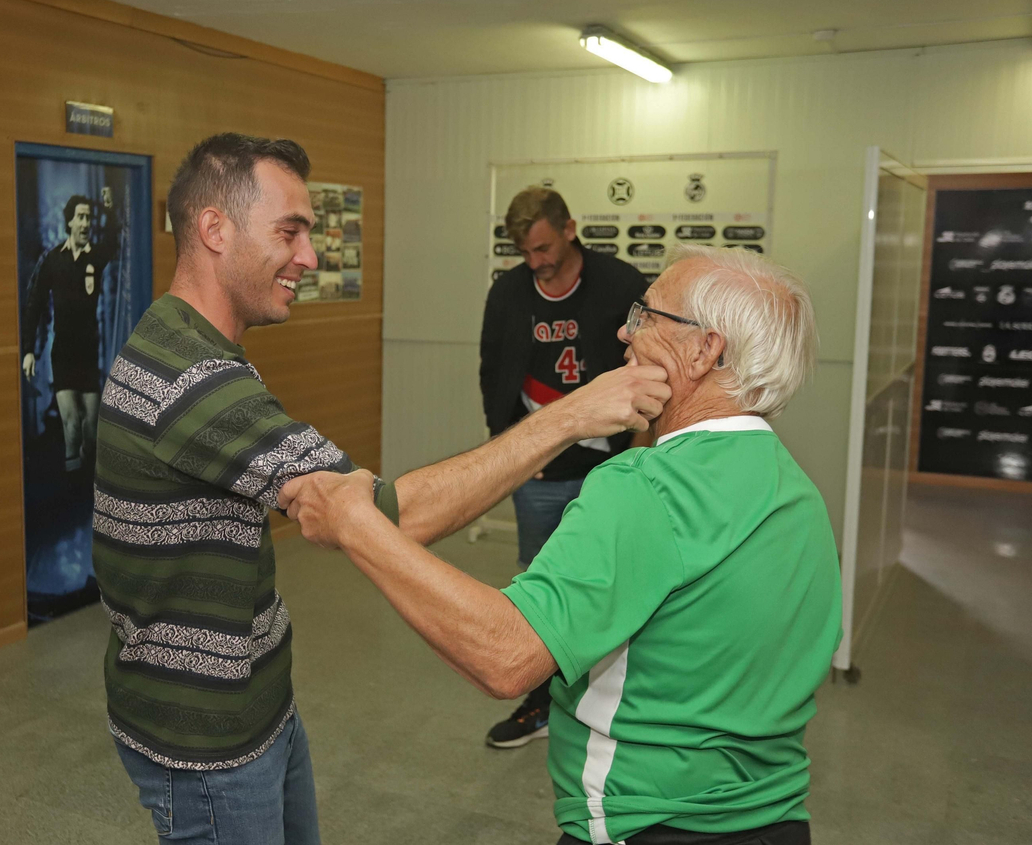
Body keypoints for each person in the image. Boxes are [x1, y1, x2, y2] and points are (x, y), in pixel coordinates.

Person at [96, 133, 668, 845]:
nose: (308, 256)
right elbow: (386, 513)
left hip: (256, 699)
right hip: (208, 735)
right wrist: (574, 414)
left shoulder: (185, 339)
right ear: (215, 229)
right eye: (290, 231)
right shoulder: (193, 378)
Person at [280, 246, 842, 845]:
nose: (625, 331)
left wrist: (355, 524)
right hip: (773, 822)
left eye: (648, 316)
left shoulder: (647, 488)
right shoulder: (796, 490)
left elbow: (505, 655)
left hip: (647, 823)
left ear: (705, 350)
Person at [478, 186, 649, 748]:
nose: (537, 263)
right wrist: (509, 451)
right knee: (540, 592)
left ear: (570, 228)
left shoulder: (621, 284)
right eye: (526, 253)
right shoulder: (508, 292)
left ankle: (609, 701)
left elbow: (651, 367)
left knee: (614, 591)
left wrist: (636, 457)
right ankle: (543, 702)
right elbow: (491, 369)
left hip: (613, 471)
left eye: (545, 248)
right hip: (539, 473)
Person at [21, 188, 121, 472]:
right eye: (80, 217)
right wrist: (28, 350)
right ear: (70, 222)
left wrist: (110, 210)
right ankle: (72, 485)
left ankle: (87, 484)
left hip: (88, 351)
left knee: (91, 430)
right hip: (62, 352)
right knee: (71, 425)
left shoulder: (96, 256)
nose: (86, 223)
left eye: (89, 217)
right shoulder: (53, 259)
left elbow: (113, 242)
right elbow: (35, 305)